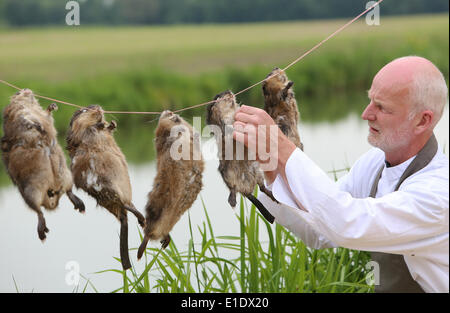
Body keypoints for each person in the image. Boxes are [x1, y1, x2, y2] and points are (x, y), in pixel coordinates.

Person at [232, 56, 449, 293]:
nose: (366, 114)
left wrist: (282, 147)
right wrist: (270, 166)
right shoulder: (375, 162)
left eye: (382, 107)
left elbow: (347, 224)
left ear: (422, 120)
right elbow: (319, 231)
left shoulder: (437, 194)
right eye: (370, 100)